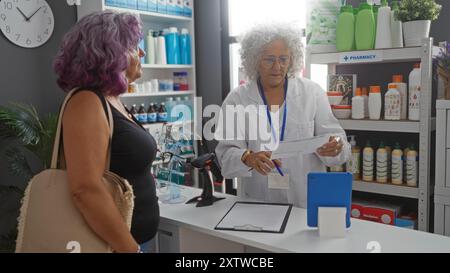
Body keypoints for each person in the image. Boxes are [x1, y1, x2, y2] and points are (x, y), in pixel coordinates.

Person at [53, 11, 159, 253]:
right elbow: (85, 189)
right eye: (134, 47)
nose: (141, 53)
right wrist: (129, 248)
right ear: (112, 54)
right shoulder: (87, 102)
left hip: (134, 239)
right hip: (113, 245)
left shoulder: (112, 99)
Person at [215, 23, 351, 208]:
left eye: (283, 59)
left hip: (304, 201)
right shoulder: (237, 99)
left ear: (292, 60)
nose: (277, 67)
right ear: (254, 59)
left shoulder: (312, 93)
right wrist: (247, 157)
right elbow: (225, 156)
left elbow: (339, 143)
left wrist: (335, 148)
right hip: (257, 202)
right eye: (269, 59)